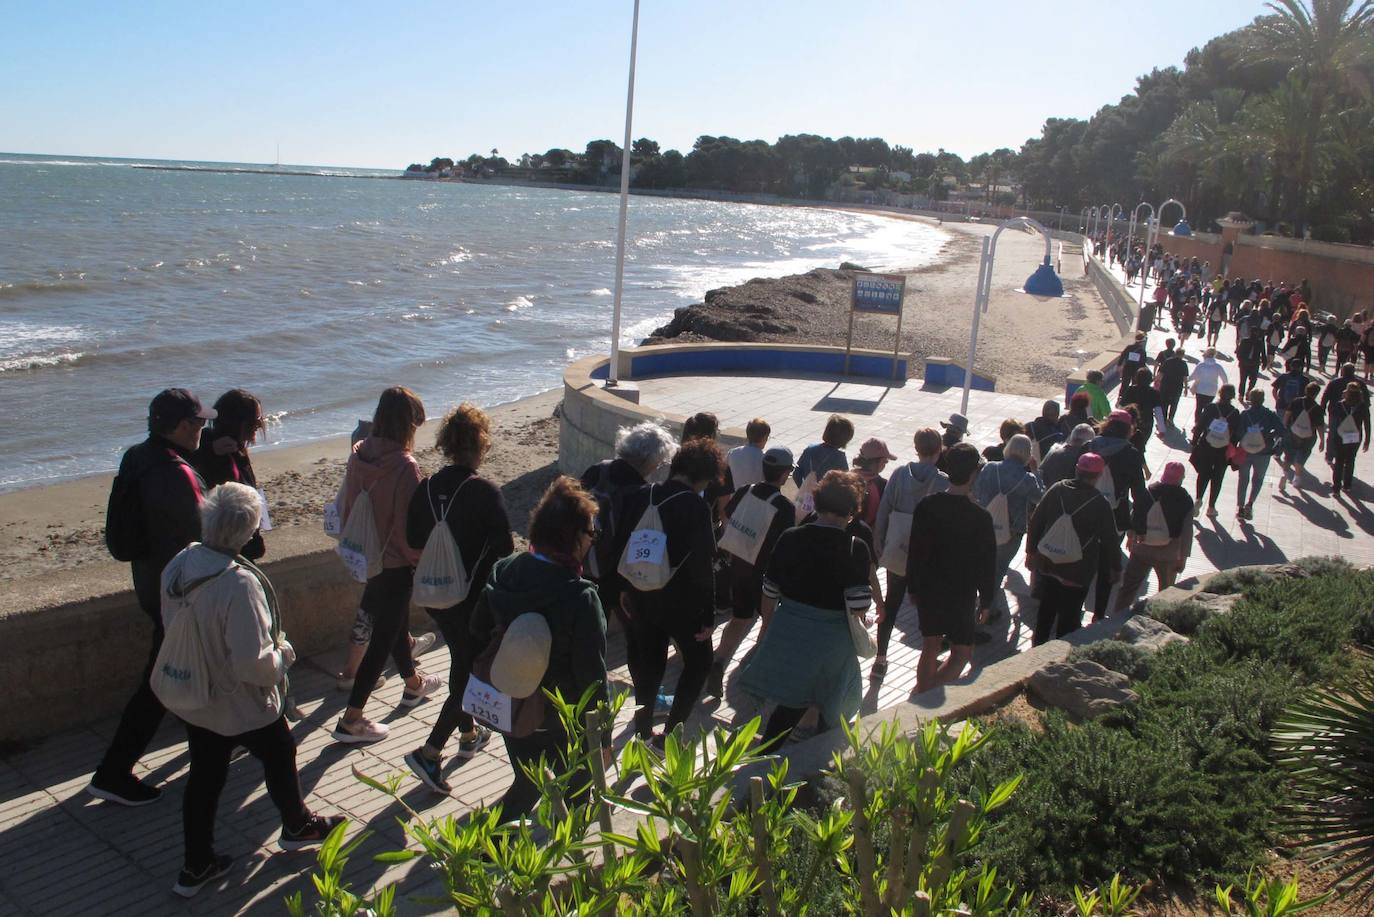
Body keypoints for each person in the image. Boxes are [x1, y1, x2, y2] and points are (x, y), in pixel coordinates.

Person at [163, 483, 342, 898]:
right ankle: (296, 825)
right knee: (280, 752)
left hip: (197, 694)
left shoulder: (181, 563)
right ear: (249, 529)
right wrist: (285, 654)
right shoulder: (238, 583)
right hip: (239, 701)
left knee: (204, 776)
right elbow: (254, 664)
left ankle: (196, 863)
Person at [87, 388, 213, 807]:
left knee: (180, 672)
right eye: (199, 423)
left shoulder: (137, 457)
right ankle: (112, 772)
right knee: (162, 681)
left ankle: (219, 742)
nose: (204, 429)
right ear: (180, 427)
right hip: (179, 595)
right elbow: (206, 533)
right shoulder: (175, 474)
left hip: (151, 582)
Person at [467, 476, 610, 818]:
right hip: (561, 715)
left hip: (511, 701)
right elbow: (592, 676)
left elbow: (475, 628)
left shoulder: (504, 571)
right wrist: (602, 738)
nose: (593, 541)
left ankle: (485, 852)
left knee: (527, 781)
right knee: (577, 791)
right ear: (573, 537)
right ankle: (574, 860)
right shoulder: (580, 597)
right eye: (591, 533)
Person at [403, 404, 516, 792]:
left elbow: (414, 539)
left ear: (447, 443)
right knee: (469, 676)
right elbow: (504, 547)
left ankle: (468, 736)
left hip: (436, 594)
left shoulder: (427, 487)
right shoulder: (484, 491)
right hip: (473, 599)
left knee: (461, 657)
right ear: (481, 443)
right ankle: (429, 752)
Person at [332, 387, 442, 744]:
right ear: (407, 424)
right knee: (383, 637)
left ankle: (413, 684)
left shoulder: (358, 454)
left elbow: (347, 507)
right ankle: (352, 718)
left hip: (367, 555)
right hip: (395, 563)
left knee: (393, 625)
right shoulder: (405, 467)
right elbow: (411, 528)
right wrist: (419, 561)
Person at [738, 472, 873, 748]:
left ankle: (769, 752)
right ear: (851, 511)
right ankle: (820, 755)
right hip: (833, 640)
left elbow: (770, 590)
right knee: (833, 699)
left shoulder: (791, 537)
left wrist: (767, 626)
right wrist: (865, 622)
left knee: (792, 700)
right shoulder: (854, 547)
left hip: (790, 629)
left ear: (818, 502)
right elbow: (859, 606)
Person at [615, 438, 721, 741]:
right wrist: (708, 615)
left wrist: (624, 586)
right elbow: (703, 566)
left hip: (641, 593)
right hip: (682, 601)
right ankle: (670, 734)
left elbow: (623, 541)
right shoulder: (695, 506)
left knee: (650, 665)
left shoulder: (642, 494)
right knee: (699, 662)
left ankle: (643, 731)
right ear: (703, 477)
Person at [706, 447, 797, 699]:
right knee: (767, 624)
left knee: (739, 618)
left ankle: (719, 661)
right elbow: (786, 545)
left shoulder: (746, 490)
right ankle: (756, 673)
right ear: (785, 474)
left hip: (739, 567)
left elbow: (729, 514)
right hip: (766, 575)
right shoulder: (784, 507)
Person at [907, 444, 996, 693]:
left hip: (929, 589)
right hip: (961, 592)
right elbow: (987, 563)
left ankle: (922, 693)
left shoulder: (927, 506)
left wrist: (913, 587)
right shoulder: (980, 517)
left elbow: (915, 551)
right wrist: (987, 600)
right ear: (973, 475)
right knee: (962, 651)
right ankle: (925, 694)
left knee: (930, 645)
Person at [871, 428, 949, 678]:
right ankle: (929, 660)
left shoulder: (900, 474)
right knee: (928, 607)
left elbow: (884, 510)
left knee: (891, 604)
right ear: (939, 451)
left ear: (916, 448)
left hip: (897, 549)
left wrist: (879, 540)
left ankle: (880, 658)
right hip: (927, 556)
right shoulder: (942, 481)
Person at [1025, 453, 1120, 644]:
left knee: (1045, 613)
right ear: (1098, 475)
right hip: (1078, 569)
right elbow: (1110, 539)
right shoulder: (1100, 503)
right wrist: (1115, 567)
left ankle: (1036, 650)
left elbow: (1036, 521)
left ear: (1077, 470)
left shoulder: (1057, 489)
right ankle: (1059, 657)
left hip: (1049, 563)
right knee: (1069, 618)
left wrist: (1031, 552)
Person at [971, 434, 1043, 624]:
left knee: (980, 567)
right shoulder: (1027, 478)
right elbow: (1040, 499)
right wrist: (1036, 472)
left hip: (983, 525)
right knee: (998, 570)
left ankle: (976, 607)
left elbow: (976, 492)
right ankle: (986, 609)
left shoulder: (989, 468)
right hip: (1011, 532)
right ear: (1028, 454)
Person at [190, 389, 267, 561]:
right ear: (236, 422)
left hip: (236, 546)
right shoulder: (213, 452)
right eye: (254, 421)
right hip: (228, 552)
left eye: (259, 420)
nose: (259, 425)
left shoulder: (235, 449)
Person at [1110, 462, 1194, 613]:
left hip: (1142, 548)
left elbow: (1135, 515)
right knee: (1166, 591)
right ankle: (1160, 617)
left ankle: (1117, 615)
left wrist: (1130, 537)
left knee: (1129, 587)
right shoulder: (1185, 499)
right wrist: (1183, 557)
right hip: (1168, 553)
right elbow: (1187, 532)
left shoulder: (1149, 491)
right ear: (1181, 478)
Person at [1189, 384, 1243, 518]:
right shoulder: (1235, 412)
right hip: (1223, 450)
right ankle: (1211, 507)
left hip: (1206, 446)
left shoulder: (1211, 408)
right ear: (1232, 396)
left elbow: (1200, 425)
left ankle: (1198, 499)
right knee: (1218, 477)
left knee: (1203, 473)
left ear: (1219, 393)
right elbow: (1235, 434)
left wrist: (1194, 442)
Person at [1234, 389, 1285, 521]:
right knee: (1258, 479)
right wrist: (1269, 436)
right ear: (1263, 399)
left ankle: (1240, 507)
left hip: (1245, 451)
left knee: (1243, 479)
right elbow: (1282, 431)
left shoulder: (1245, 414)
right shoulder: (1270, 414)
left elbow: (1238, 433)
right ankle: (1250, 504)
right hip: (1264, 451)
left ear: (1250, 399)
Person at [793, 414, 854, 512]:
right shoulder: (839, 458)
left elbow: (796, 473)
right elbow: (844, 483)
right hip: (824, 506)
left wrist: (804, 488)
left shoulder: (810, 449)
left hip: (805, 500)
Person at [1279, 381, 1325, 493]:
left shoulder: (1296, 401)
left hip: (1292, 432)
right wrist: (1322, 440)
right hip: (1308, 437)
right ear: (1316, 394)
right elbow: (1319, 426)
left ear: (1305, 390)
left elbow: (1287, 415)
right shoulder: (1318, 409)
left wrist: (1284, 427)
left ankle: (1284, 475)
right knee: (1301, 456)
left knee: (1288, 456)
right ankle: (1297, 479)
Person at [1329, 382, 1372, 497]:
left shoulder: (1340, 404)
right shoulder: (1363, 406)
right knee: (1350, 460)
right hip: (1355, 437)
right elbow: (1367, 424)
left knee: (1338, 461)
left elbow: (1332, 416)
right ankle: (1347, 485)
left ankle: (1336, 487)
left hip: (1341, 436)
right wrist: (1367, 440)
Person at [853, 438, 896, 527]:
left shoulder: (847, 477)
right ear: (878, 462)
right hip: (867, 532)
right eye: (885, 461)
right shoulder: (882, 485)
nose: (886, 463)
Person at [1189, 348, 1229, 432]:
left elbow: (1193, 376)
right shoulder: (1218, 366)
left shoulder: (1201, 365)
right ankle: (1204, 424)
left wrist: (1185, 380)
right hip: (1212, 391)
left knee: (1199, 407)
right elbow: (1224, 378)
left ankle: (1197, 424)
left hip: (1200, 390)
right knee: (1207, 408)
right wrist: (1224, 388)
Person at [1118, 368, 1162, 445]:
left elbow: (1121, 406)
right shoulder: (1154, 392)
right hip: (1146, 422)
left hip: (1130, 421)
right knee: (1141, 445)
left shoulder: (1131, 389)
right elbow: (1158, 411)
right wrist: (1161, 429)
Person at [725, 418, 770, 489]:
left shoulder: (733, 453)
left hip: (734, 496)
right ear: (764, 437)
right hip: (754, 497)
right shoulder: (764, 458)